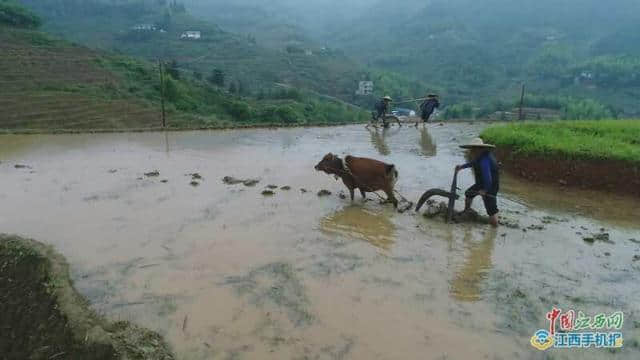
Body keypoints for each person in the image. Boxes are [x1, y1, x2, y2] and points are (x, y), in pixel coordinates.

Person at [455, 138, 500, 227]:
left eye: (473, 149)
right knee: (468, 193)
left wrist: (484, 190)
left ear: (479, 149)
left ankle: (495, 229)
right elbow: (473, 163)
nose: (471, 151)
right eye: (471, 148)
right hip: (482, 184)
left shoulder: (484, 160)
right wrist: (462, 167)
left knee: (491, 210)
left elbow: (488, 178)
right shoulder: (480, 156)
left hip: (490, 186)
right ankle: (467, 211)